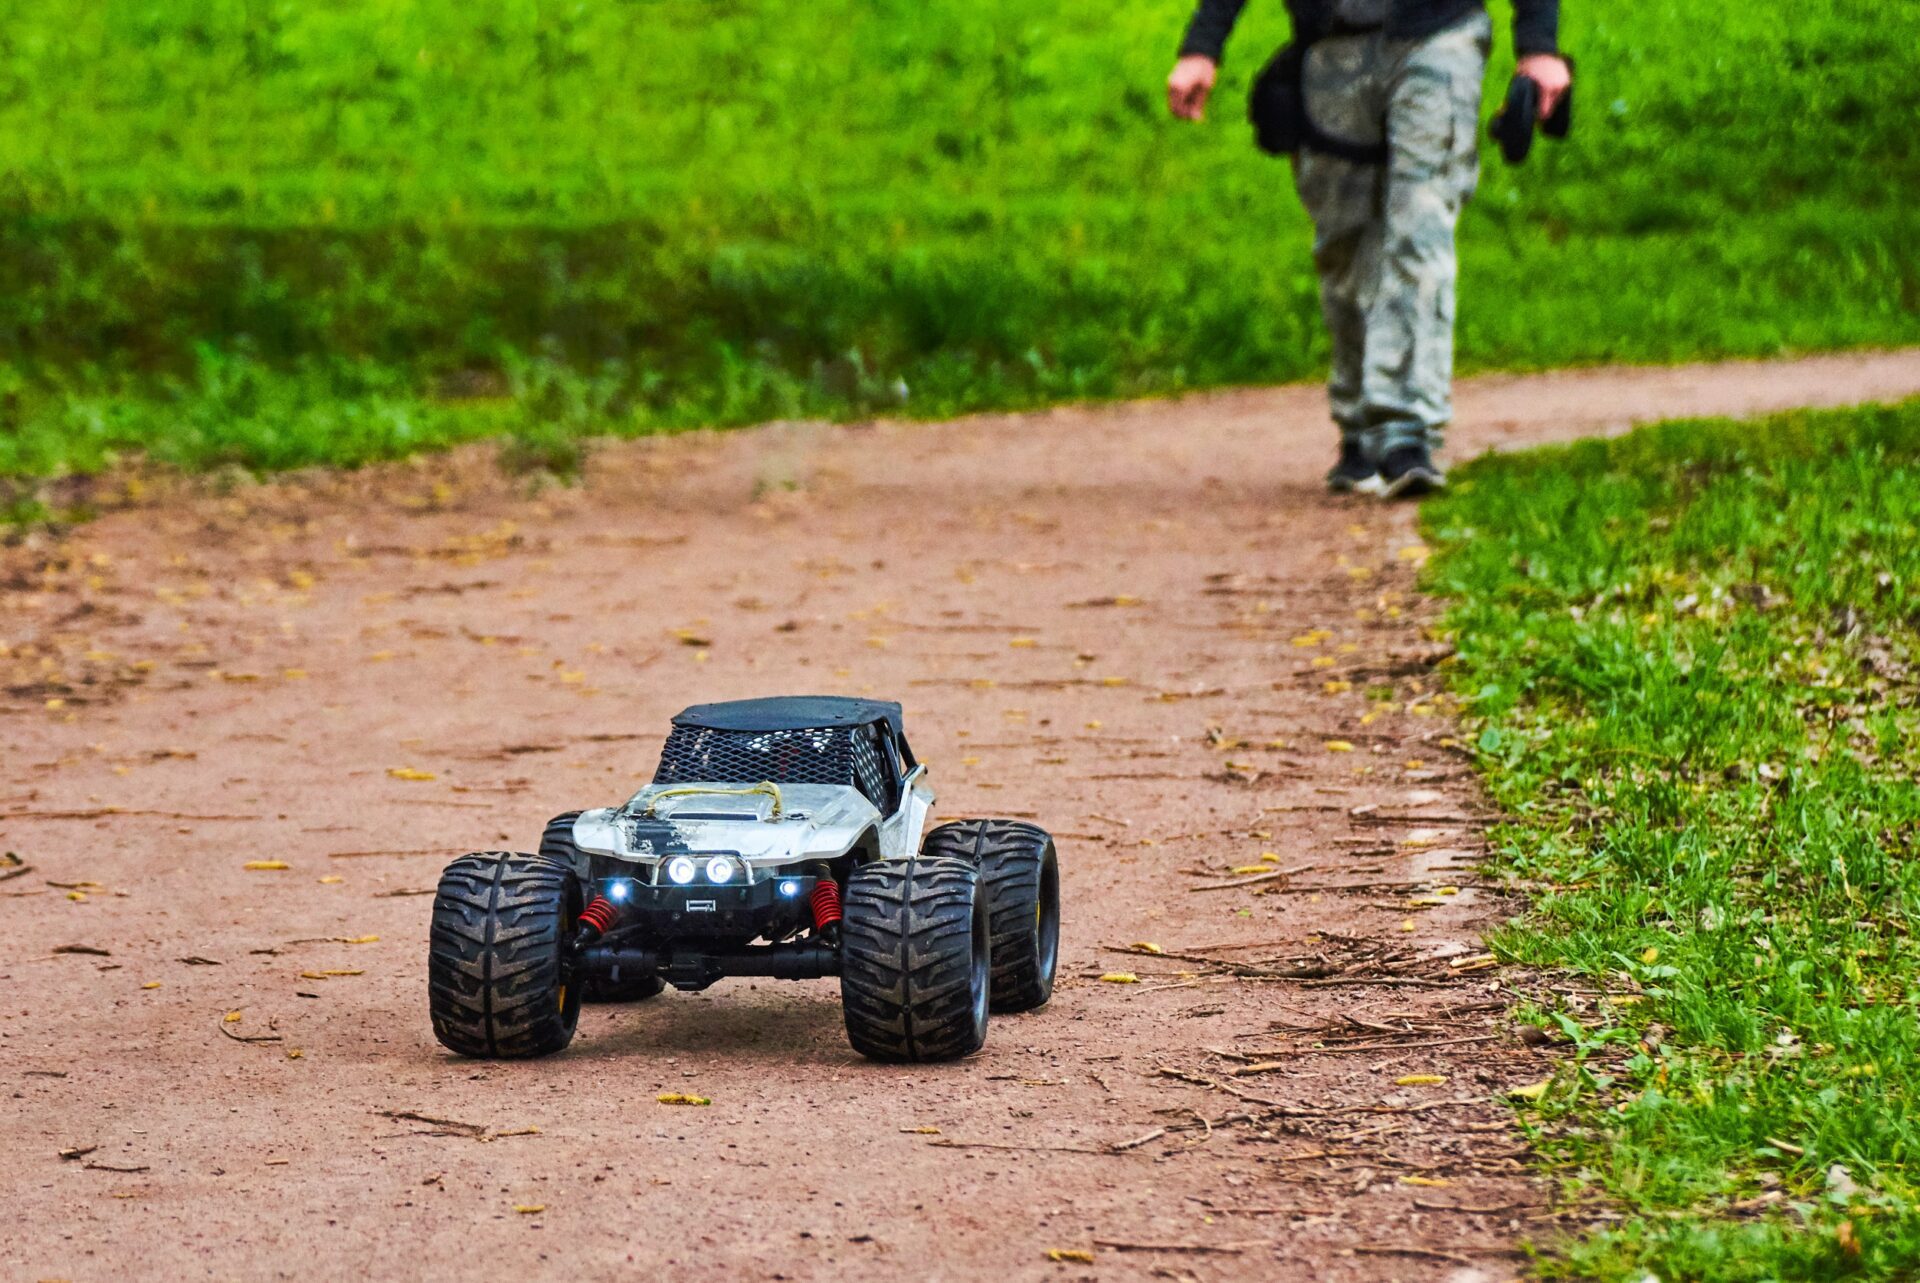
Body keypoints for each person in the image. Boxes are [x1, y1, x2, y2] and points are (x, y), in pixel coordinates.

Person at [1168, 0, 1570, 497]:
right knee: (1344, 240)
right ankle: (1360, 424)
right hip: (1332, 49)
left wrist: (1538, 47)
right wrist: (1202, 47)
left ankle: (1406, 429)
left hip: (1438, 35)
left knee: (1420, 224)